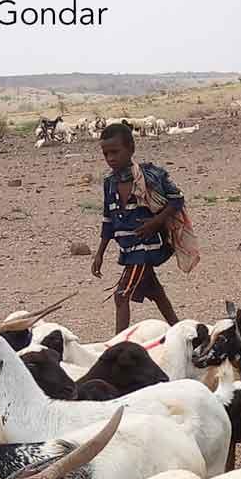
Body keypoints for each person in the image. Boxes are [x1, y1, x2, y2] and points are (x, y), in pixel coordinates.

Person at [91, 121, 198, 331]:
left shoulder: (150, 176)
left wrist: (155, 223)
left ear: (131, 148)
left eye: (115, 152)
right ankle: (181, 331)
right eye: (106, 154)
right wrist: (99, 253)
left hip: (145, 248)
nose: (110, 158)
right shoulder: (109, 182)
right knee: (155, 292)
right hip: (128, 249)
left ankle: (119, 344)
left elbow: (177, 199)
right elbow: (108, 219)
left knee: (121, 295)